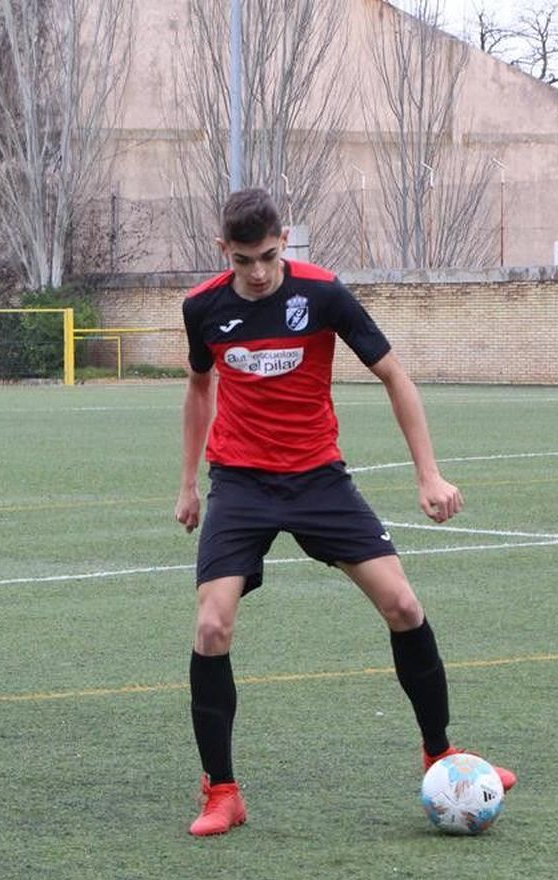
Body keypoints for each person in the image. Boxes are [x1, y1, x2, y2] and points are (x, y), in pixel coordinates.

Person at [174, 187, 517, 838]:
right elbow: (198, 389)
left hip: (317, 479)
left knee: (403, 606)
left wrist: (429, 472)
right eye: (245, 259)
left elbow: (395, 375)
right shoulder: (203, 308)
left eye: (270, 256)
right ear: (226, 252)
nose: (258, 271)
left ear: (286, 243)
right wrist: (189, 483)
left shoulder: (324, 294)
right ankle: (223, 791)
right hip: (241, 482)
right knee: (212, 625)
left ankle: (442, 753)